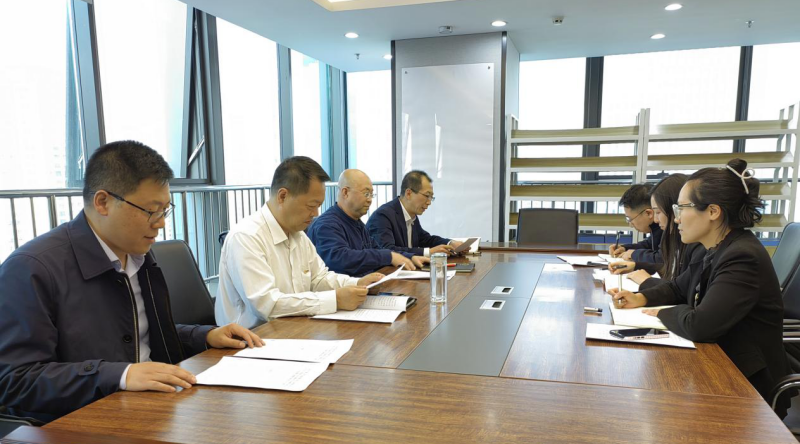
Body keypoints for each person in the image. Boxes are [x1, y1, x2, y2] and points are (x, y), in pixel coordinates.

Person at [0, 141, 263, 424]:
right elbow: (15, 379)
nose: (160, 223)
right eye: (151, 210)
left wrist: (205, 336)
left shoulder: (139, 256)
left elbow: (138, 333)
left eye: (165, 210)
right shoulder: (32, 268)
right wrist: (121, 375)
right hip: (84, 421)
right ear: (103, 202)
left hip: (153, 407)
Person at [609, 159, 792, 416]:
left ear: (713, 211)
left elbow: (700, 325)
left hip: (748, 390)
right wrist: (640, 298)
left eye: (682, 208)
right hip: (722, 366)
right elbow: (677, 288)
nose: (676, 217)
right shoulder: (716, 248)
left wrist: (662, 312)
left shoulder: (742, 256)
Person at [215, 157, 384, 329]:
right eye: (311, 206)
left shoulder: (298, 235)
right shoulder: (247, 237)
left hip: (294, 328)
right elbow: (267, 305)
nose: (316, 213)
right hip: (253, 337)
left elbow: (319, 279)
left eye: (319, 205)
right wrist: (335, 300)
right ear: (283, 196)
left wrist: (357, 284)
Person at [308, 169, 429, 276]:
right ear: (345, 192)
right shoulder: (327, 225)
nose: (370, 200)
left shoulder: (357, 223)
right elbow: (340, 259)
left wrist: (410, 257)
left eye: (371, 194)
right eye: (366, 194)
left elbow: (378, 250)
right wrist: (389, 257)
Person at [611, 174, 702, 289]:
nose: (655, 220)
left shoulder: (698, 248)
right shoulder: (680, 237)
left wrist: (647, 281)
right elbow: (677, 283)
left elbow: (682, 291)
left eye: (658, 212)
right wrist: (635, 263)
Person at [366, 170, 462, 257]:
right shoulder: (383, 216)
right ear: (408, 193)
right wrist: (428, 252)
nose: (429, 202)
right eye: (427, 196)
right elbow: (387, 251)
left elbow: (425, 239)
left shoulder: (411, 214)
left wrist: (450, 243)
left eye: (431, 197)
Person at [608, 183, 662, 273]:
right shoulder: (656, 229)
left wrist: (633, 254)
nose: (631, 225)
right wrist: (625, 248)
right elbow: (648, 244)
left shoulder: (666, 228)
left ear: (648, 213)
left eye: (630, 219)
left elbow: (660, 259)